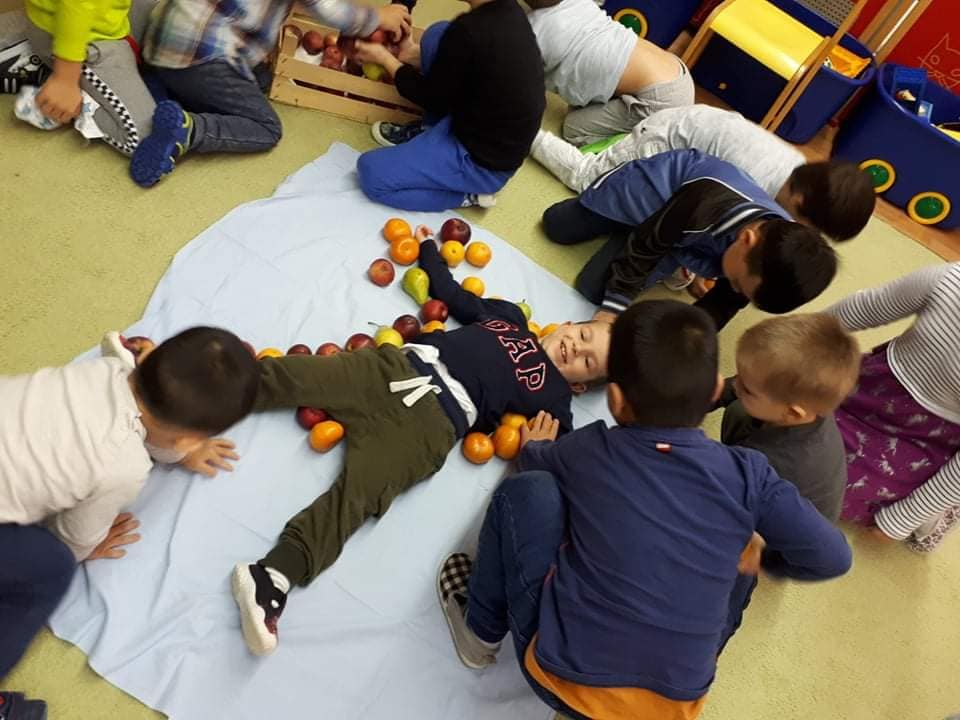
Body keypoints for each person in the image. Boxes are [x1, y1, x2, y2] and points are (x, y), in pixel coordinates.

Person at [436, 300, 852, 719]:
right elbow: (834, 557)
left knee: (529, 491)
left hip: (564, 678)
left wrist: (535, 447)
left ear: (615, 400)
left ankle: (479, 633)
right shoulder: (752, 473)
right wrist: (768, 561)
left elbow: (538, 462)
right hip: (673, 706)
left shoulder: (593, 447)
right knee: (741, 557)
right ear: (714, 391)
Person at [231, 225, 612, 656]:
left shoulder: (555, 396)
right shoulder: (511, 318)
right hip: (394, 369)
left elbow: (565, 451)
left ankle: (272, 577)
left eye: (587, 362)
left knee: (362, 495)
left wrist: (538, 450)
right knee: (295, 374)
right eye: (582, 337)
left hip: (431, 425)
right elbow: (451, 294)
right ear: (567, 325)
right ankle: (205, 390)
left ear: (579, 387)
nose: (575, 350)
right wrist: (430, 248)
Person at [0, 327, 259, 678]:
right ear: (187, 439)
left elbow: (140, 424)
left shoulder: (102, 370)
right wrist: (87, 545)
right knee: (53, 566)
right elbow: (72, 537)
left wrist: (179, 451)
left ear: (147, 355)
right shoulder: (124, 466)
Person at [542, 149, 837, 330]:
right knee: (558, 227)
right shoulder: (705, 204)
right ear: (747, 240)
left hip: (680, 235)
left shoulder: (767, 258)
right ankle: (626, 229)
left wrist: (685, 342)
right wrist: (609, 315)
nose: (733, 288)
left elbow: (722, 306)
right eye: (735, 282)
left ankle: (648, 243)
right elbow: (648, 244)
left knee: (595, 288)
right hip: (650, 193)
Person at [129, 0, 411, 187]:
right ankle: (188, 130)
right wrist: (376, 17)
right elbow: (330, 10)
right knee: (266, 127)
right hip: (198, 58)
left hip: (164, 43)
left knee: (263, 78)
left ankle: (162, 87)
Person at [531, 105, 876, 242]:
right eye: (811, 227)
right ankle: (527, 133)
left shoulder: (796, 176)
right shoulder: (755, 180)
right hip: (668, 138)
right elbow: (697, 213)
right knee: (587, 179)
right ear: (799, 201)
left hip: (695, 156)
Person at [353, 0, 544, 211]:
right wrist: (409, 52)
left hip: (482, 162)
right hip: (491, 127)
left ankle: (469, 195)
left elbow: (431, 98)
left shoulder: (468, 31)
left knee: (372, 174)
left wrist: (385, 59)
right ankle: (429, 131)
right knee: (438, 34)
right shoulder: (508, 10)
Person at [826, 263, 960, 553]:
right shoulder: (950, 280)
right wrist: (792, 338)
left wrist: (903, 517)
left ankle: (943, 510)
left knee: (828, 483)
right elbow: (866, 308)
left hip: (924, 439)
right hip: (871, 388)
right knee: (781, 410)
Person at [718, 313, 861, 522]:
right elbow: (738, 387)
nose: (735, 385)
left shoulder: (775, 463)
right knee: (739, 410)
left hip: (774, 529)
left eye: (746, 389)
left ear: (793, 412)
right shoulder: (806, 402)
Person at [525, 0, 693, 147]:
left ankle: (641, 144)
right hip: (676, 71)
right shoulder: (579, 2)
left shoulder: (534, 33)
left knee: (574, 129)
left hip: (662, 101)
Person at [17, 0, 158, 155]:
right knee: (146, 140)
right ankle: (62, 98)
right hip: (79, 40)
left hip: (111, 18)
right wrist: (65, 78)